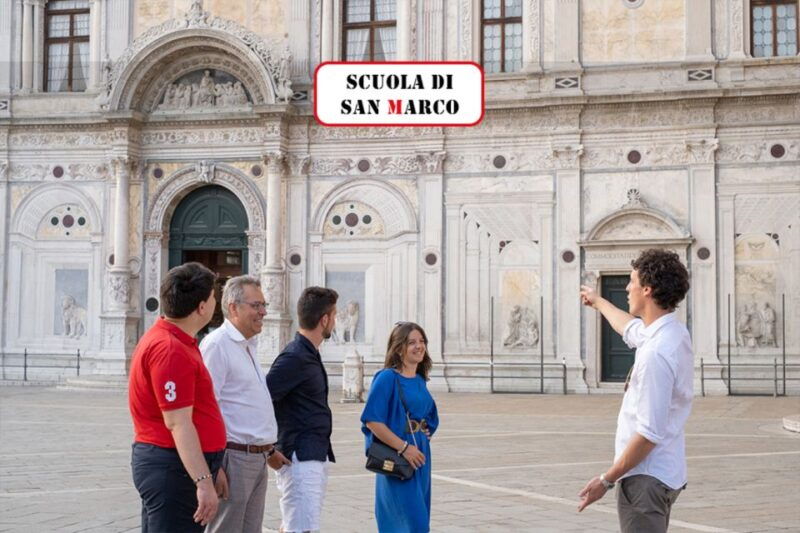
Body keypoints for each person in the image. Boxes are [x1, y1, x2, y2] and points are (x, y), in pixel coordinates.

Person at [577, 249, 692, 533]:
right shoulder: (673, 333)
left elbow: (648, 434)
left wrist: (606, 480)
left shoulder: (656, 353)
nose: (627, 288)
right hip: (663, 473)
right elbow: (630, 329)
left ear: (647, 290)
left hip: (645, 479)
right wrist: (598, 301)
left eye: (631, 282)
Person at [128, 262, 226, 532]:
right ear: (202, 307)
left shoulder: (175, 341)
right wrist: (203, 480)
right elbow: (178, 422)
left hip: (177, 465)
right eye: (214, 298)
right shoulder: (171, 350)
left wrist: (210, 468)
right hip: (172, 468)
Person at [200, 275, 289, 533]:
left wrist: (268, 450)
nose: (263, 312)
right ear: (233, 307)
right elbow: (207, 409)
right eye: (256, 305)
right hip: (233, 458)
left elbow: (245, 404)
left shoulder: (248, 345)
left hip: (256, 457)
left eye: (264, 305)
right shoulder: (217, 345)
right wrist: (214, 467)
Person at [266, 287, 339, 533]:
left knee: (297, 527)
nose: (335, 321)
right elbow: (263, 399)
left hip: (313, 454)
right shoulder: (295, 357)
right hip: (299, 457)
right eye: (335, 315)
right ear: (325, 319)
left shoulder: (308, 354)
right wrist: (268, 449)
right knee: (301, 529)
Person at [361, 322, 439, 533]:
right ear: (399, 347)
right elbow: (372, 420)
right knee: (411, 524)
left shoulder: (420, 379)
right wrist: (405, 447)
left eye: (422, 341)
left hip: (420, 456)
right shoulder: (387, 378)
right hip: (398, 457)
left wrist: (424, 432)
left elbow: (429, 414)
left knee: (421, 521)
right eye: (411, 342)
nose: (419, 346)